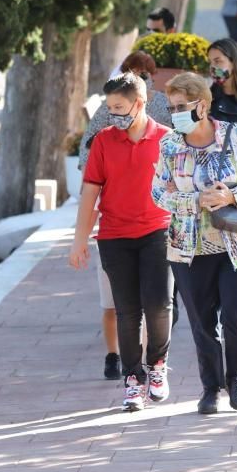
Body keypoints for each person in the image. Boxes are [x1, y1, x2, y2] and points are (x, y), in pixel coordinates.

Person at [152, 73, 237, 416]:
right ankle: (210, 387)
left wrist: (231, 194)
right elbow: (158, 193)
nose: (175, 114)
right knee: (202, 322)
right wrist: (196, 200)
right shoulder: (169, 146)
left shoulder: (235, 135)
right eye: (171, 108)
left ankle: (235, 378)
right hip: (189, 247)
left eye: (181, 107)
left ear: (202, 105)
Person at [70, 74, 174, 411]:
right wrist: (79, 240)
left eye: (119, 107)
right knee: (127, 311)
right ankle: (133, 379)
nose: (113, 114)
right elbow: (90, 192)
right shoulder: (103, 141)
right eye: (109, 107)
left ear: (139, 103)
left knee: (159, 305)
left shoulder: (167, 140)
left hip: (158, 232)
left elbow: (183, 189)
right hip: (115, 236)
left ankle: (157, 366)